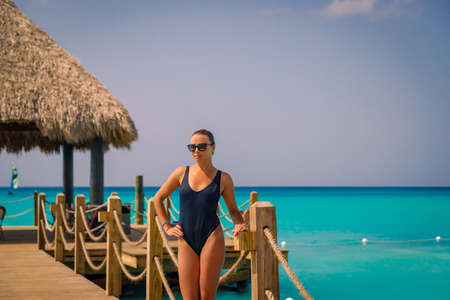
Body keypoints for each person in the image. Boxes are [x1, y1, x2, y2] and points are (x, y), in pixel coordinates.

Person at [152, 129, 247, 300]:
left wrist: (239, 223)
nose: (196, 151)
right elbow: (157, 199)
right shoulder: (181, 172)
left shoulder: (223, 179)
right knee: (189, 297)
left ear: (213, 148)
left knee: (206, 296)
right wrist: (166, 226)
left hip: (212, 236)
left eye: (202, 146)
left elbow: (233, 210)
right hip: (185, 237)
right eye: (192, 147)